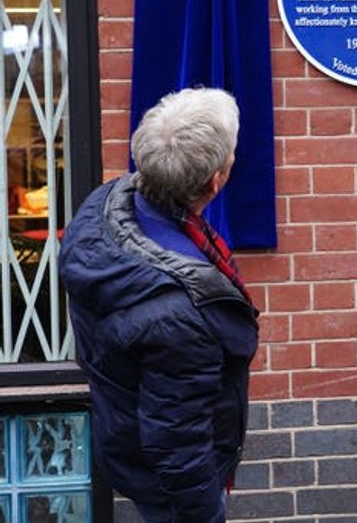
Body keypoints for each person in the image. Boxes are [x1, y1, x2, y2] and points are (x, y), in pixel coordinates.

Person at [60, 87, 259, 522]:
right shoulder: (182, 311)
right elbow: (176, 442)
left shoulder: (107, 206)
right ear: (216, 181)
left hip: (128, 433)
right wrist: (203, 513)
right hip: (172, 482)